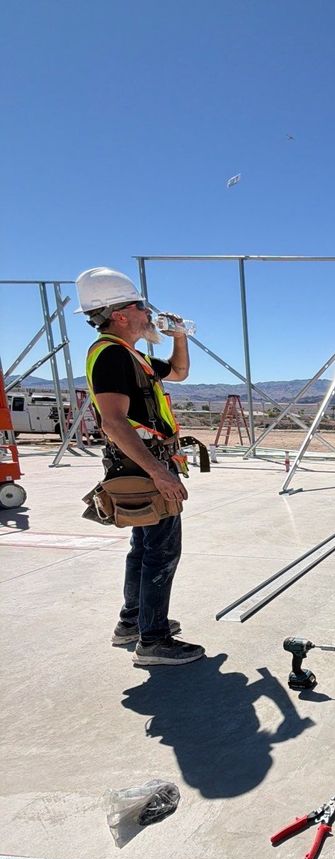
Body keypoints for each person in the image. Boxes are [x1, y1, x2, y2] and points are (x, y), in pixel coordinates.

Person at [77, 266, 205, 667]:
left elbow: (180, 372)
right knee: (162, 552)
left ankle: (132, 622)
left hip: (138, 465)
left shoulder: (131, 357)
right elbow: (114, 422)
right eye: (141, 306)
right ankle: (154, 639)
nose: (148, 313)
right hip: (141, 467)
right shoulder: (113, 356)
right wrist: (158, 472)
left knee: (144, 546)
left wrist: (180, 335)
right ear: (119, 314)